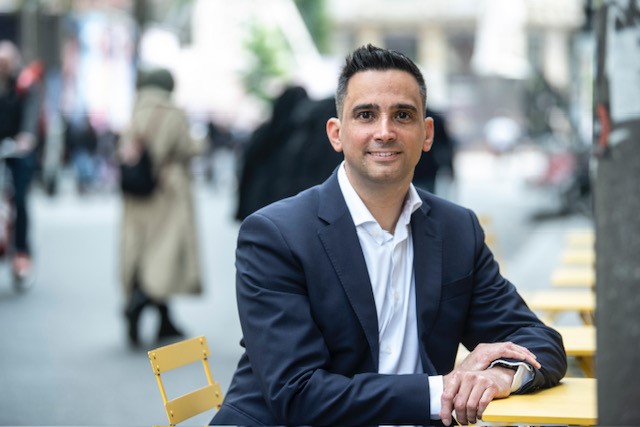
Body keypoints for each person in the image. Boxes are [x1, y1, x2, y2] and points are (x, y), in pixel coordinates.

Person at [212, 45, 566, 426]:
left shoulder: (456, 230)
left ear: (426, 134)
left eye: (402, 115)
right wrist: (443, 389)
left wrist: (500, 374)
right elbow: (298, 394)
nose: (385, 132)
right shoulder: (276, 235)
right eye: (366, 115)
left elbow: (538, 340)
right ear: (337, 134)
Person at [118, 68, 204, 347]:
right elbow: (187, 147)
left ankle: (164, 320)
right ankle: (139, 301)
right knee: (166, 253)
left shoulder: (136, 111)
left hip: (138, 191)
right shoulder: (172, 112)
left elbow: (125, 149)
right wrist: (199, 143)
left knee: (142, 251)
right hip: (168, 189)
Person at [0, 40, 41, 283]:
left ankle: (22, 251)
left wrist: (26, 136)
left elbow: (31, 113)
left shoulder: (25, 84)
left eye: (6, 62)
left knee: (20, 197)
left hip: (17, 149)